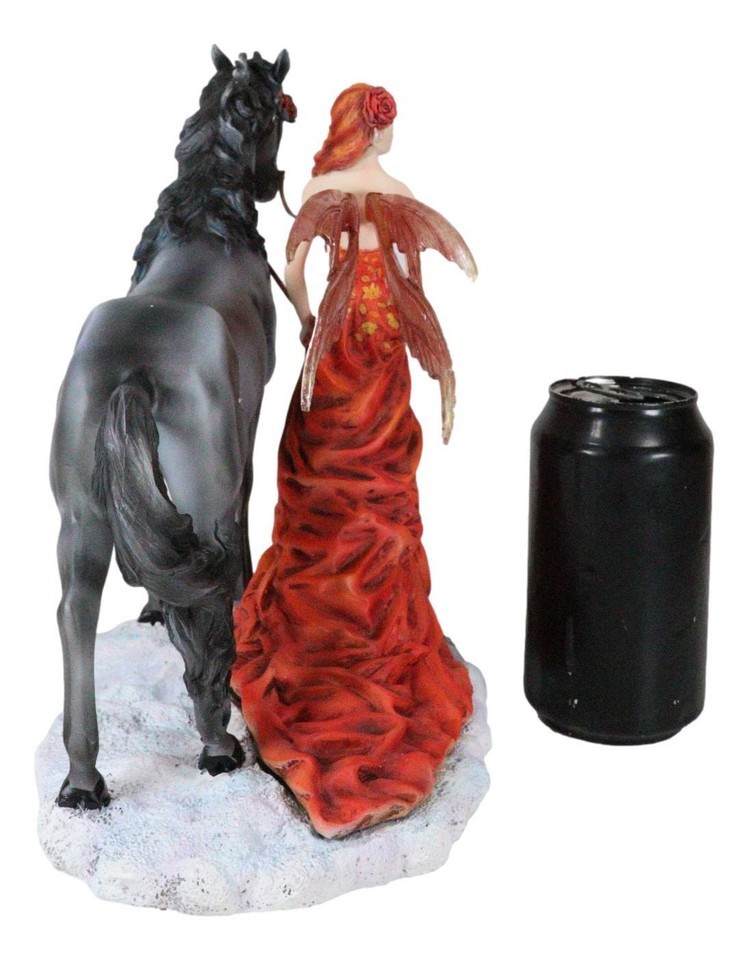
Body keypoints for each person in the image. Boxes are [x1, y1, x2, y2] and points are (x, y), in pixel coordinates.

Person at [232, 84, 476, 838]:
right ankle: (370, 619)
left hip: (338, 352)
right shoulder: (399, 193)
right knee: (381, 483)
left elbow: (295, 267)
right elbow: (408, 278)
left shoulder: (321, 192)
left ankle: (320, 613)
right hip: (383, 353)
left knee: (323, 475)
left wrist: (309, 317)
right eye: (390, 125)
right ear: (375, 131)